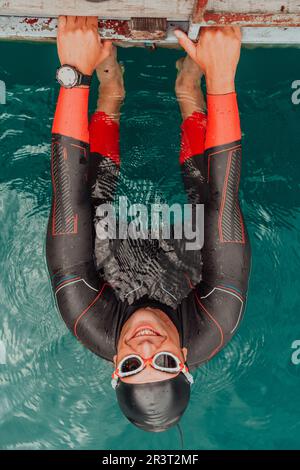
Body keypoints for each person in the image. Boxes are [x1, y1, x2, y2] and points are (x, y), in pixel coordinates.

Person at [46, 16, 251, 433]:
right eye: (164, 362)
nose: (145, 347)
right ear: (185, 359)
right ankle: (188, 88)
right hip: (187, 258)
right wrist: (222, 75)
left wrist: (75, 75)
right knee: (207, 201)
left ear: (116, 369)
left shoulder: (86, 318)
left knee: (92, 203)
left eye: (134, 364)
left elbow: (69, 197)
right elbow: (223, 197)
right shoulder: (217, 319)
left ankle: (111, 90)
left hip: (115, 253)